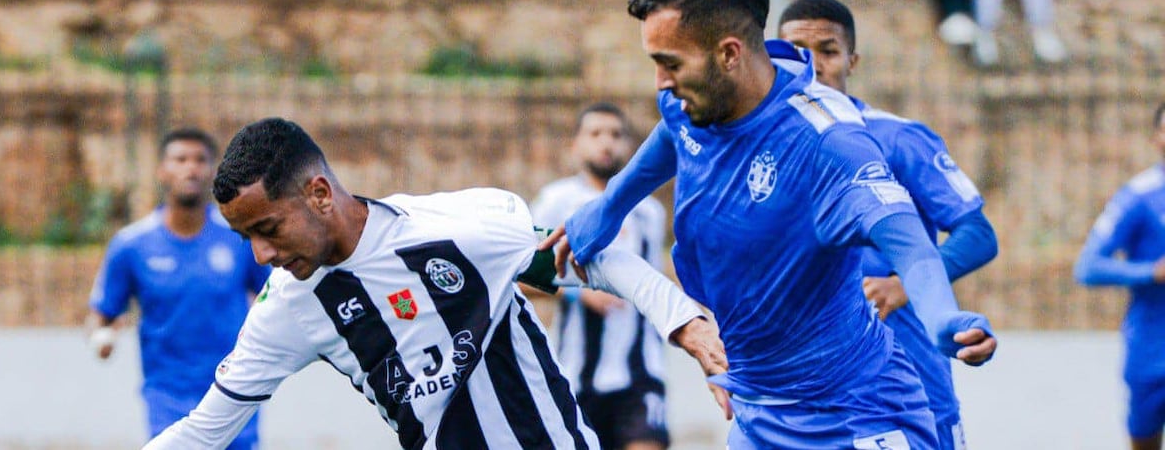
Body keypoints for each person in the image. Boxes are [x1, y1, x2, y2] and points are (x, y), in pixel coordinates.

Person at [542, 0, 998, 449]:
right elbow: (671, 136)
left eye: (670, 64)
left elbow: (909, 243)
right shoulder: (691, 102)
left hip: (855, 413)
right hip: (760, 414)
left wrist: (942, 316)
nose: (660, 82)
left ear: (729, 54)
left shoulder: (828, 141)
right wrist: (610, 208)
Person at [144, 117, 725, 449]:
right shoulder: (288, 306)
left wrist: (683, 320)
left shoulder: (459, 229)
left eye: (268, 229)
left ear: (319, 194)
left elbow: (591, 259)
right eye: (246, 237)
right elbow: (203, 431)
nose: (261, 254)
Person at [777, 0, 1000, 450]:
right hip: (804, 393)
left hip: (910, 380)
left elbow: (978, 233)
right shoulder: (760, 149)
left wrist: (901, 286)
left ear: (852, 60)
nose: (813, 65)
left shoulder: (896, 137)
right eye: (798, 51)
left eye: (828, 50)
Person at [88, 127, 270, 449]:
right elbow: (101, 315)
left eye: (200, 160)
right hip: (167, 398)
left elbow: (272, 295)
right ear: (162, 170)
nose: (191, 168)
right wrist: (102, 336)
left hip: (234, 392)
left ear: (213, 172)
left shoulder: (240, 238)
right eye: (181, 159)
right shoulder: (131, 245)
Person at [532, 102, 671, 450]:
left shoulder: (649, 212)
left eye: (616, 134)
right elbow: (521, 277)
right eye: (595, 134)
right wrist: (578, 292)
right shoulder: (556, 202)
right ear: (575, 145)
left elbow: (657, 281)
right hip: (575, 377)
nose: (606, 142)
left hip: (641, 375)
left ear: (629, 146)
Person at [1075, 102, 1165, 450]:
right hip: (1152, 350)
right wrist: (1151, 272)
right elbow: (1088, 266)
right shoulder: (1139, 196)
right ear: (1156, 138)